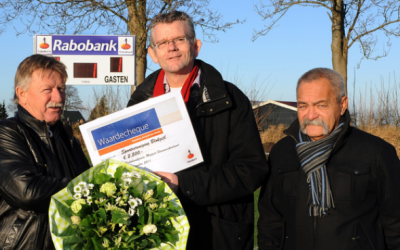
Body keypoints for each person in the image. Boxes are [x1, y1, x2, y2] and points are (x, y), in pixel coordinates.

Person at [127, 11, 268, 250]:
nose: (171, 47)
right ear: (152, 54)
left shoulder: (230, 99)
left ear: (196, 46)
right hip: (157, 232)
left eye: (179, 40)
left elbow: (251, 170)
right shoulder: (138, 103)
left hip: (216, 233)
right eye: (162, 43)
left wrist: (184, 183)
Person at [257, 68, 400, 250]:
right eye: (303, 106)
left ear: (342, 105)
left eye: (320, 105)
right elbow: (270, 219)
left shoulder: (376, 152)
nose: (310, 115)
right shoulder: (282, 152)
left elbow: (395, 221)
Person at [0, 54, 90, 249]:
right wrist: (91, 187)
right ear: (21, 93)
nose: (58, 98)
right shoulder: (7, 133)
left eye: (61, 89)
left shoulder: (68, 138)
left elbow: (88, 177)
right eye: (47, 90)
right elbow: (28, 191)